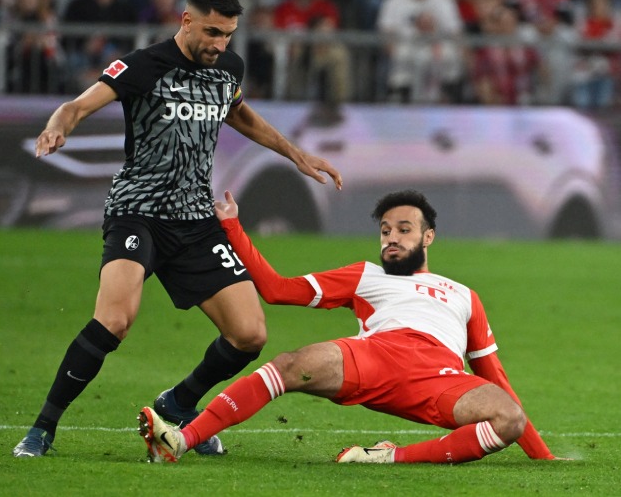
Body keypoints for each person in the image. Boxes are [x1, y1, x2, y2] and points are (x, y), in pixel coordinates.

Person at [12, 0, 343, 458]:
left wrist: (294, 153)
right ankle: (43, 428)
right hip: (137, 213)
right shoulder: (144, 65)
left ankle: (179, 403)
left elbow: (240, 113)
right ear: (186, 20)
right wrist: (56, 127)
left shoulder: (227, 67)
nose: (219, 44)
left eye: (228, 34)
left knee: (250, 334)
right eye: (211, 32)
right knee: (114, 321)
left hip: (194, 218)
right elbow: (77, 106)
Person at [139, 189, 562, 464]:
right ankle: (181, 439)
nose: (390, 238)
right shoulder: (366, 275)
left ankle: (387, 458)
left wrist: (541, 456)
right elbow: (276, 289)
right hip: (373, 358)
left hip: (440, 377)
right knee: (288, 364)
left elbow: (493, 374)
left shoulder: (464, 294)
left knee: (509, 418)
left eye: (403, 230)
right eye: (384, 231)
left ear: (429, 237)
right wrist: (231, 224)